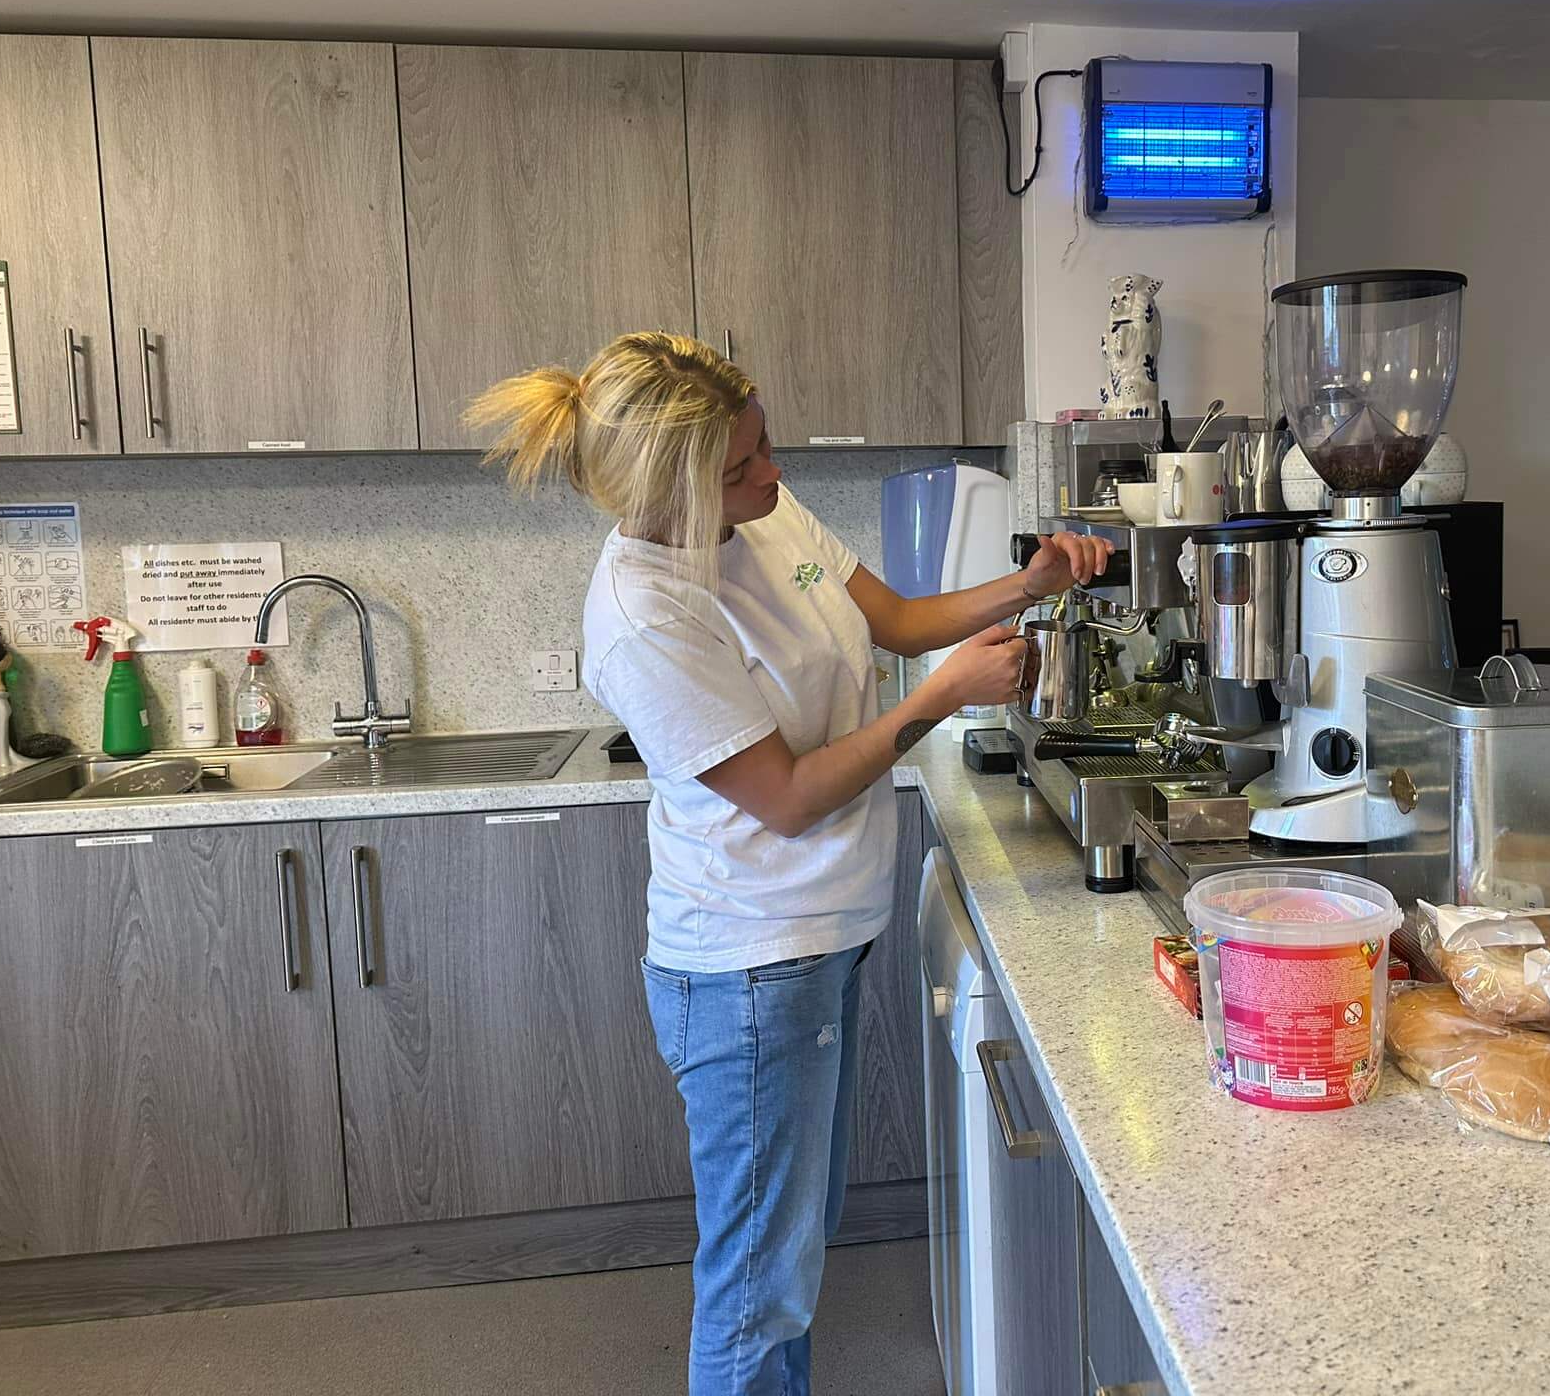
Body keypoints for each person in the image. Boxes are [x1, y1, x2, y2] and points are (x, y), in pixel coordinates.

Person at [469, 332, 1109, 1395]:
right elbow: (789, 796)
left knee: (785, 1260)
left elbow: (896, 620)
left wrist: (1023, 584)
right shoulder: (644, 616)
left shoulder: (763, 517)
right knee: (759, 1288)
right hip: (748, 969)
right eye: (739, 465)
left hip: (813, 945)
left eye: (764, 445)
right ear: (671, 488)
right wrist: (936, 701)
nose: (771, 472)